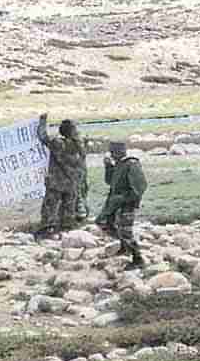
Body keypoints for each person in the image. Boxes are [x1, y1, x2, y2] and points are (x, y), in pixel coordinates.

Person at [96, 142, 148, 270]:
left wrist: (124, 198)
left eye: (113, 152)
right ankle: (125, 247)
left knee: (125, 231)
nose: (112, 155)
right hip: (114, 203)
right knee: (104, 223)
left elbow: (141, 187)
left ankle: (138, 258)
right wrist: (108, 167)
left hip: (127, 204)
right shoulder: (119, 164)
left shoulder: (132, 164)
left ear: (121, 151)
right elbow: (110, 181)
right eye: (111, 152)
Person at [35, 114, 85, 240]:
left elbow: (43, 137)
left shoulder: (57, 143)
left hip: (56, 182)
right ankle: (67, 228)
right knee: (69, 207)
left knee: (50, 207)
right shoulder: (79, 145)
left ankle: (48, 228)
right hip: (72, 182)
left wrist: (42, 122)